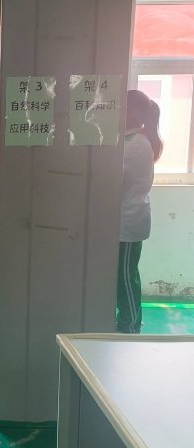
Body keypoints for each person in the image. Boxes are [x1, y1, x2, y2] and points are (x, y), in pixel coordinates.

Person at [117, 90, 163, 334]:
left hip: (128, 221)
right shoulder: (131, 140)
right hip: (126, 219)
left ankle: (131, 325)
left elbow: (115, 179)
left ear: (132, 112)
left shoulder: (136, 144)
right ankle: (127, 321)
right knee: (123, 275)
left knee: (125, 278)